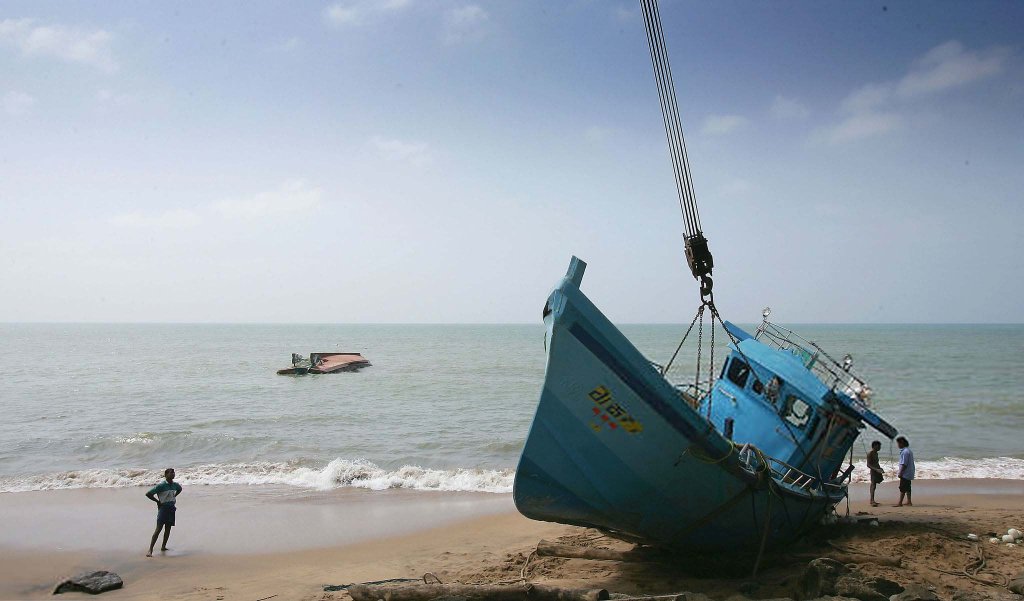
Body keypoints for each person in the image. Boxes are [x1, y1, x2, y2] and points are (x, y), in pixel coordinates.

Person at [145, 468, 182, 556]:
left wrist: (174, 496)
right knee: (158, 529)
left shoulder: (175, 485)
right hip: (163, 508)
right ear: (166, 475)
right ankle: (150, 550)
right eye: (171, 473)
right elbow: (148, 494)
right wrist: (157, 501)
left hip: (171, 508)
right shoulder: (161, 486)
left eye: (173, 473)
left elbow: (180, 489)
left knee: (168, 529)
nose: (173, 474)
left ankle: (163, 546)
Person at [895, 436, 915, 507]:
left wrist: (900, 473)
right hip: (909, 472)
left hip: (905, 473)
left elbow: (904, 464)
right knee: (907, 487)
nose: (898, 445)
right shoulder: (908, 450)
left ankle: (900, 502)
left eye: (898, 443)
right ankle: (909, 501)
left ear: (901, 443)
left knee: (902, 488)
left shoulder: (905, 452)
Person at [866, 440, 884, 507]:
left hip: (877, 470)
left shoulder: (876, 453)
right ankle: (872, 500)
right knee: (873, 485)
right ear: (874, 446)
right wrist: (876, 469)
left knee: (875, 485)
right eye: (878, 446)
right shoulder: (870, 453)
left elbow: (876, 463)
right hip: (874, 471)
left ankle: (872, 500)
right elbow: (868, 465)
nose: (880, 447)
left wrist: (880, 469)